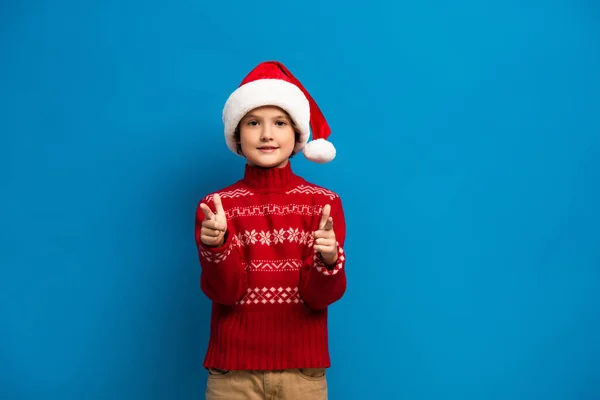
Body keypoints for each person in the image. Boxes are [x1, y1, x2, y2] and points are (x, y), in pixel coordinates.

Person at [194, 60, 347, 400]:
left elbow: (321, 297)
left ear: (297, 134)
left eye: (279, 122)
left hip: (302, 374)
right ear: (236, 133)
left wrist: (327, 259)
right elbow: (226, 293)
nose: (266, 134)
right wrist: (216, 247)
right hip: (232, 374)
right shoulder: (217, 206)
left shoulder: (323, 203)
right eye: (253, 122)